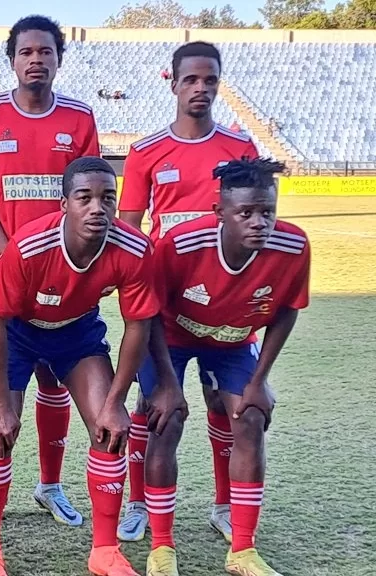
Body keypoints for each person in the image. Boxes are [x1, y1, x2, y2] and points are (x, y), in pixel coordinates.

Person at [0, 157, 157, 576]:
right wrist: (0, 403)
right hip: (18, 333)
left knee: (111, 429)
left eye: (107, 198)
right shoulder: (28, 246)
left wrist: (116, 402)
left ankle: (105, 551)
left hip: (77, 333)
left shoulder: (134, 248)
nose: (98, 207)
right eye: (85, 198)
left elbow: (138, 327)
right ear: (64, 204)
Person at [136, 157, 309, 576]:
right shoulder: (180, 245)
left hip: (232, 341)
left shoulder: (293, 246)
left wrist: (260, 380)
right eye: (245, 213)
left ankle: (243, 550)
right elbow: (149, 312)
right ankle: (161, 548)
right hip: (169, 338)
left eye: (267, 211)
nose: (258, 222)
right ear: (220, 214)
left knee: (250, 415)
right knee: (166, 419)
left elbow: (286, 310)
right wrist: (167, 388)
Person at [116, 41, 259, 547]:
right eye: (192, 80)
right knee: (153, 406)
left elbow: (255, 224)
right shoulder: (146, 151)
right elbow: (130, 231)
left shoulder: (240, 150)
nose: (201, 88)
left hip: (225, 306)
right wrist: (138, 299)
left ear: (219, 85)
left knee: (228, 406)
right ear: (173, 83)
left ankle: (224, 506)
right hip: (165, 310)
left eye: (210, 80)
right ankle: (138, 504)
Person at [0, 14, 99, 531]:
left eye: (45, 51)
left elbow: (89, 195)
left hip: (68, 271)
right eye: (26, 52)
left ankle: (49, 485)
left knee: (55, 380)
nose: (36, 59)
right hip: (4, 269)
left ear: (59, 59)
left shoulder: (80, 118)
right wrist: (10, 253)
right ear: (12, 59)